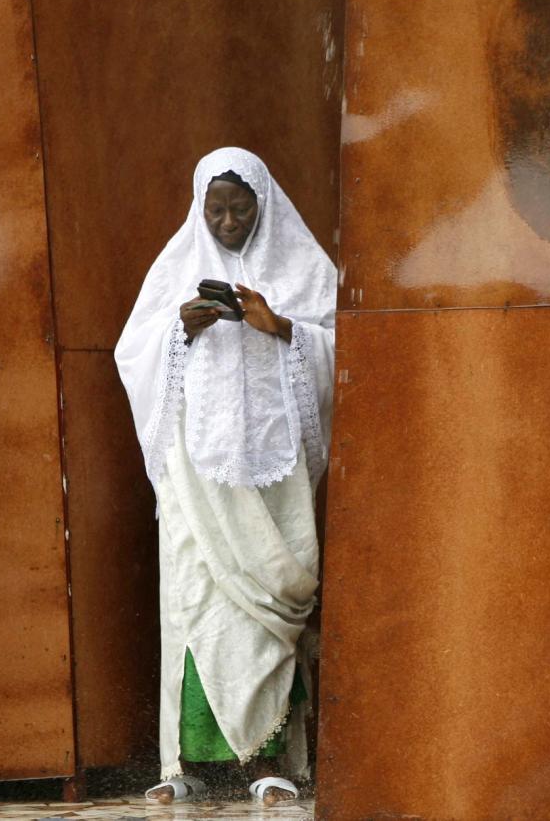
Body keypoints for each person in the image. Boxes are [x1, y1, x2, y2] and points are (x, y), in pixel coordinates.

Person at [115, 148, 336, 804]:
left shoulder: (302, 266)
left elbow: (346, 343)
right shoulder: (177, 265)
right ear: (198, 208)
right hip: (196, 487)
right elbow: (133, 351)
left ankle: (267, 764)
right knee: (197, 612)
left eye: (241, 208)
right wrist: (179, 327)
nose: (229, 220)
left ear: (263, 204)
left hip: (274, 488)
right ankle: (186, 765)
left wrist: (282, 326)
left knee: (262, 622)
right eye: (217, 209)